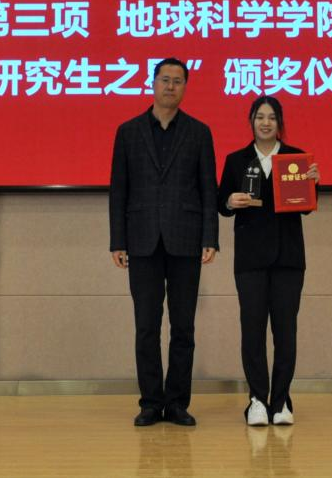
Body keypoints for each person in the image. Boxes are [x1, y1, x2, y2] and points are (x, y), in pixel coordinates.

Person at [109, 57, 219, 427]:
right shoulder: (128, 132)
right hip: (141, 241)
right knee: (146, 327)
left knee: (183, 328)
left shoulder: (199, 132)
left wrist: (210, 236)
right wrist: (117, 241)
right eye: (165, 79)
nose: (170, 86)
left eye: (177, 81)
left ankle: (177, 403)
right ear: (153, 83)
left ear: (185, 87)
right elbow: (119, 190)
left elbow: (208, 189)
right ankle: (150, 403)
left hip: (186, 239)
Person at [218, 95, 319, 426]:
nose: (265, 123)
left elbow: (306, 206)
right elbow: (221, 203)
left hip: (288, 258)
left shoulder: (295, 158)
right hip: (250, 260)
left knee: (285, 332)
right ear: (251, 121)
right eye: (260, 116)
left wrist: (313, 183)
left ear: (280, 123)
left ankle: (281, 401)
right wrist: (230, 201)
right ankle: (257, 400)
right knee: (252, 330)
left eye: (272, 117)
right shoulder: (236, 160)